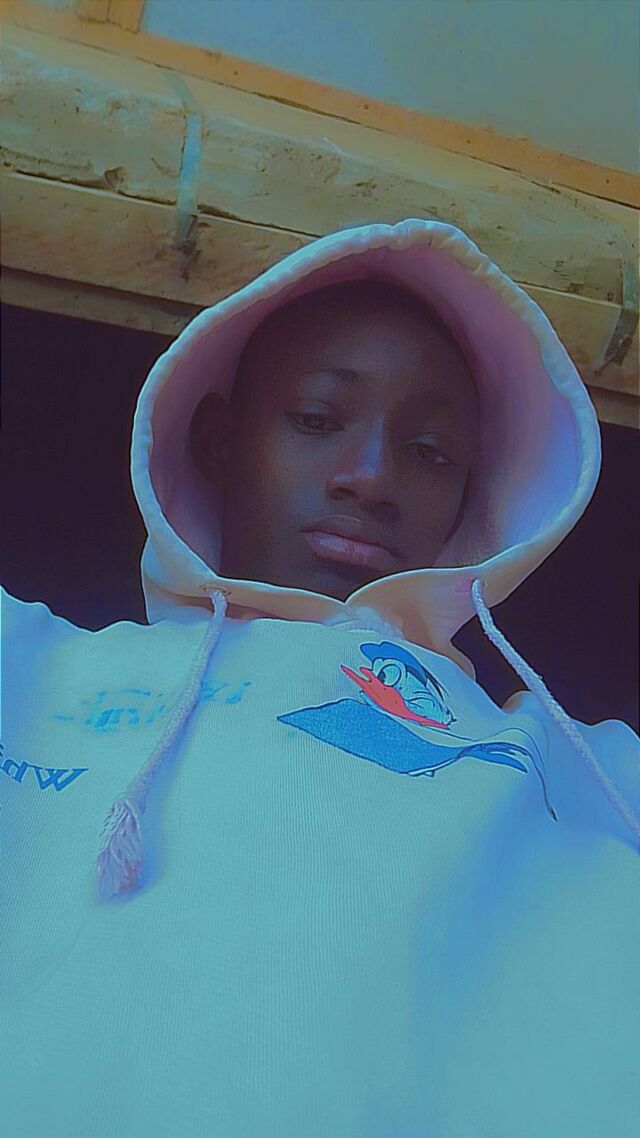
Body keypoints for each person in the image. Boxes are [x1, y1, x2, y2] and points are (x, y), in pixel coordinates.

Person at [1, 218, 638, 1138]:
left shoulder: (567, 761)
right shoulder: (34, 664)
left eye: (430, 452)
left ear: (471, 497)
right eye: (316, 420)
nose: (371, 478)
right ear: (220, 441)